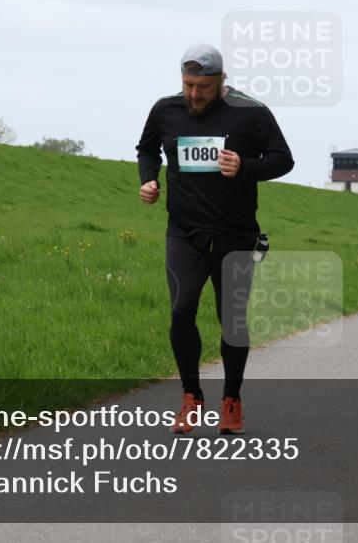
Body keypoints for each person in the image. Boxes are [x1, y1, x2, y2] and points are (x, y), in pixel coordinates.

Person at [136, 43, 294, 435]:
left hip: (236, 235)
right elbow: (147, 148)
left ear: (222, 80)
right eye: (188, 85)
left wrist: (245, 166)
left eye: (203, 87)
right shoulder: (165, 110)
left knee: (232, 322)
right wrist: (149, 179)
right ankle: (191, 396)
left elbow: (283, 159)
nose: (194, 95)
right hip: (184, 233)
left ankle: (232, 400)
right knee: (180, 311)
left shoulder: (251, 113)